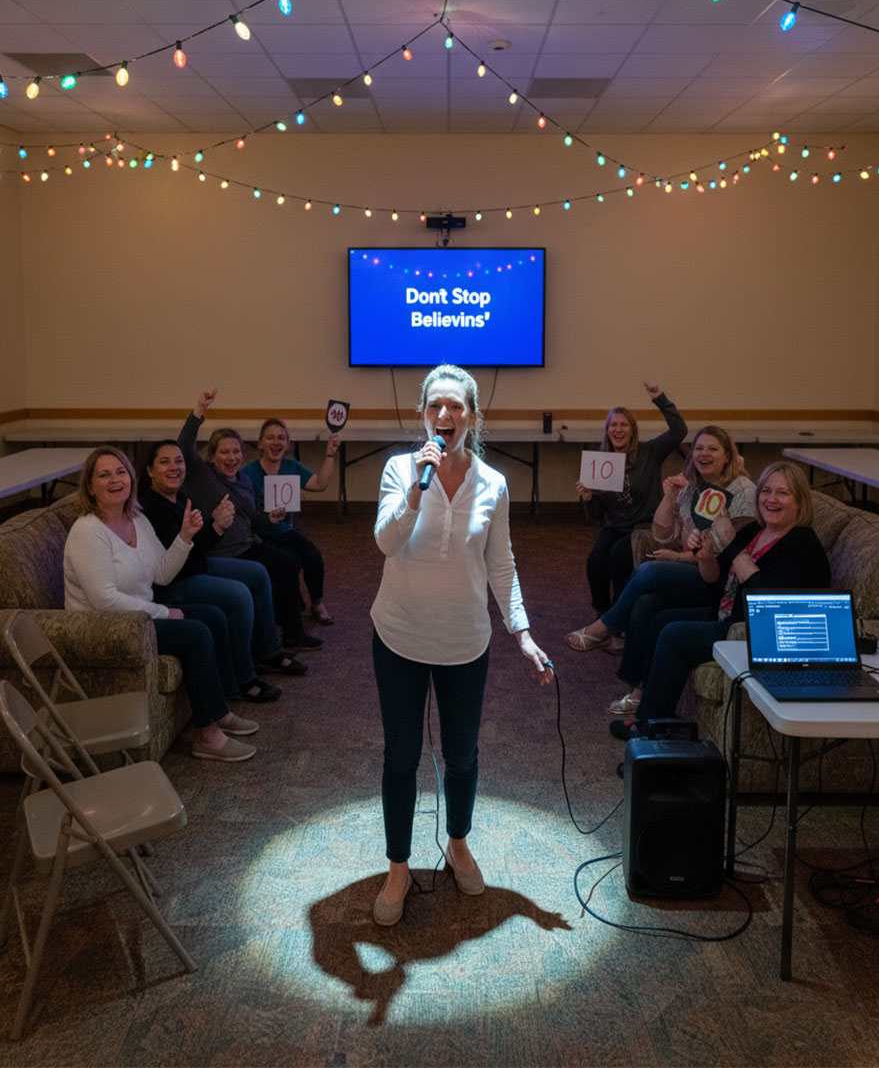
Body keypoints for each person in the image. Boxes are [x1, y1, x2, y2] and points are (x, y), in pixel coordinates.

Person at [369, 363, 553, 927]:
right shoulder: (403, 469)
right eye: (434, 407)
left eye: (455, 407)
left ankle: (458, 843)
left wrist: (521, 631)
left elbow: (501, 563)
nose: (444, 416)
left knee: (463, 755)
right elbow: (385, 541)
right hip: (398, 634)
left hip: (465, 642)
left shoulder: (493, 483)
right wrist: (416, 496)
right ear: (423, 414)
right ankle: (398, 866)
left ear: (472, 417)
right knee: (401, 757)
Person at [611, 460, 831, 741]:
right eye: (766, 491)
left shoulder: (802, 545)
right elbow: (717, 581)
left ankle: (650, 732)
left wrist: (729, 541)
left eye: (782, 493)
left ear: (799, 502)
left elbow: (762, 599)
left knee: (674, 634)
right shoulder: (755, 532)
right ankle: (653, 717)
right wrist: (705, 558)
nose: (771, 499)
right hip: (730, 615)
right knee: (660, 616)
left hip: (761, 633)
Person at [63, 447, 258, 762]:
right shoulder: (88, 531)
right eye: (104, 474)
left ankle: (218, 711)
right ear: (90, 486)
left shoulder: (136, 518)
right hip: (106, 627)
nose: (115, 480)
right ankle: (207, 736)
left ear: (131, 478)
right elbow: (104, 599)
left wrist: (185, 537)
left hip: (138, 615)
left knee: (214, 617)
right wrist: (165, 612)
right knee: (195, 633)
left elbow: (162, 575)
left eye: (121, 472)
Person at [565, 424, 756, 657]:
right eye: (698, 448)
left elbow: (725, 550)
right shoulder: (692, 486)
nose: (704, 454)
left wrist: (677, 556)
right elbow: (662, 535)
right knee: (645, 602)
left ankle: (605, 627)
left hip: (723, 575)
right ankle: (636, 686)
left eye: (712, 449)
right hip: (695, 565)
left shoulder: (742, 489)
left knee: (649, 572)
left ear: (728, 456)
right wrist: (669, 497)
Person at [177, 388, 322, 668]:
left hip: (246, 545)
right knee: (279, 564)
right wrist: (199, 411)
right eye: (224, 453)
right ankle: (277, 641)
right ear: (211, 456)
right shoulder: (203, 475)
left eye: (236, 452)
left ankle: (291, 633)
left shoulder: (243, 478)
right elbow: (183, 446)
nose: (231, 458)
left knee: (289, 561)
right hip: (222, 552)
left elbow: (254, 517)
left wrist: (271, 518)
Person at [139, 439, 282, 703]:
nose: (174, 467)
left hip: (194, 566)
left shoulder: (179, 497)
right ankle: (244, 678)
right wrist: (216, 526)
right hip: (173, 582)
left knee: (258, 573)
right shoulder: (152, 507)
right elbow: (181, 560)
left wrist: (216, 525)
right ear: (149, 470)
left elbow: (194, 548)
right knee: (238, 595)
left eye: (178, 461)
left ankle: (269, 652)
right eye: (164, 462)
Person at [573, 383, 686, 625]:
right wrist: (589, 498)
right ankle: (603, 611)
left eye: (624, 424)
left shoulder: (650, 452)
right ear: (607, 431)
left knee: (618, 556)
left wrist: (661, 400)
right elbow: (598, 515)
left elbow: (679, 431)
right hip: (616, 526)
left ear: (632, 430)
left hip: (646, 526)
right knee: (596, 558)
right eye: (613, 425)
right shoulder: (602, 462)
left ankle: (619, 614)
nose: (618, 429)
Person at [241, 418, 339, 625]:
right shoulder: (248, 473)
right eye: (270, 438)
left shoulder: (291, 466)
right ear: (260, 443)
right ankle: (287, 607)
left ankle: (317, 603)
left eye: (281, 438)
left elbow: (320, 484)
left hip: (284, 530)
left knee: (312, 555)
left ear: (288, 443)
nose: (276, 443)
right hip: (258, 534)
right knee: (289, 561)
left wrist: (330, 454)